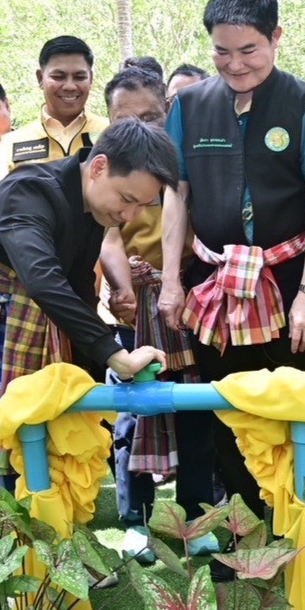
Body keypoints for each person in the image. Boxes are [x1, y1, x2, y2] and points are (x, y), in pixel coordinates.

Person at [160, 0, 305, 531]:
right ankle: (247, 527)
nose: (234, 64)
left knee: (295, 403)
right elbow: (177, 196)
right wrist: (173, 281)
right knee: (226, 406)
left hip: (287, 279)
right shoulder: (190, 105)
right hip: (214, 285)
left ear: (276, 38)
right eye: (222, 51)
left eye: (248, 50)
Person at [0, 119, 175, 504]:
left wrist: (100, 358)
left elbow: (77, 282)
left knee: (43, 429)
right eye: (127, 199)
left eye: (143, 206)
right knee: (7, 429)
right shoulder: (30, 192)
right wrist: (115, 355)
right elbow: (43, 279)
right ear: (98, 167)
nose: (131, 216)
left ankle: (43, 529)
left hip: (34, 320)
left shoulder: (93, 207)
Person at [97, 67, 216, 561]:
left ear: (168, 113)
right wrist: (123, 287)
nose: (142, 128)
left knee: (196, 412)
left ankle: (196, 515)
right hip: (131, 309)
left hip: (192, 301)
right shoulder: (103, 173)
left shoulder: (186, 165)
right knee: (134, 416)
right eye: (128, 119)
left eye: (152, 116)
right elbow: (107, 238)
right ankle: (137, 523)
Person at [0, 36, 108, 182]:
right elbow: (2, 202)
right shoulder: (12, 144)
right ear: (40, 78)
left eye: (79, 77)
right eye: (58, 77)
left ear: (90, 78)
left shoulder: (112, 132)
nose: (70, 86)